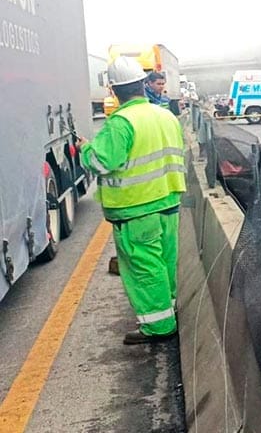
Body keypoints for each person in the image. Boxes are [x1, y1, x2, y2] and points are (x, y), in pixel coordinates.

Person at [78, 57, 186, 345]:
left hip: (136, 209)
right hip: (169, 201)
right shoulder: (165, 116)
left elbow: (102, 162)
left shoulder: (120, 123)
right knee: (164, 262)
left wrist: (86, 150)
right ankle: (168, 310)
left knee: (144, 269)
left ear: (113, 90)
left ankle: (159, 326)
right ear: (142, 84)